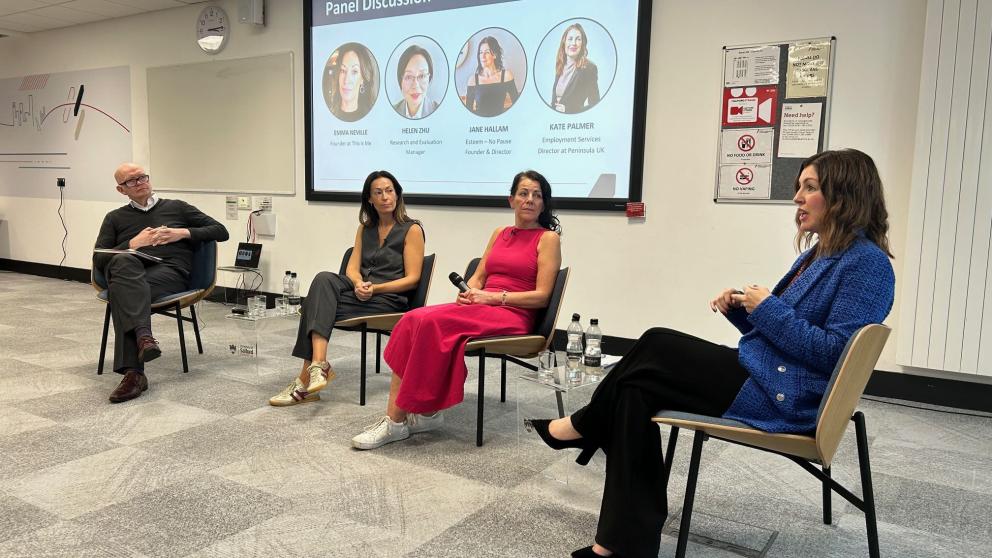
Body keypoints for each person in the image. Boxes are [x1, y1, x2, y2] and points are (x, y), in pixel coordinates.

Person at [527, 149, 896, 558]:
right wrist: (743, 311)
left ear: (845, 195)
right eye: (799, 188)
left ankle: (585, 426)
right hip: (764, 375)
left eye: (810, 188)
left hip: (787, 398)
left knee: (656, 342)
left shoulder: (868, 264)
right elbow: (782, 335)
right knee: (635, 389)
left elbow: (834, 354)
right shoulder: (821, 254)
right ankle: (617, 546)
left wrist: (767, 308)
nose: (797, 198)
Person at [352, 170, 562, 449]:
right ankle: (427, 412)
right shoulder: (500, 233)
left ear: (544, 203)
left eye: (537, 195)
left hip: (513, 314)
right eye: (523, 193)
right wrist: (469, 291)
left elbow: (542, 297)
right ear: (511, 200)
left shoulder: (548, 239)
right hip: (482, 306)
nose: (530, 200)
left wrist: (492, 298)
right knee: (413, 318)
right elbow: (480, 274)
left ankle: (395, 423)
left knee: (431, 324)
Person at [269, 170, 425, 406]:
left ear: (397, 194)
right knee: (323, 278)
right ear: (369, 199)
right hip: (360, 292)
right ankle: (318, 365)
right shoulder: (365, 228)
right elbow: (352, 268)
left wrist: (375, 288)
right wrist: (358, 282)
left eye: (389, 191)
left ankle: (307, 378)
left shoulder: (412, 229)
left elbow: (412, 279)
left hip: (389, 298)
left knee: (313, 305)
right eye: (378, 192)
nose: (385, 197)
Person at [93, 163, 229, 403]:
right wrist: (133, 244)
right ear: (121, 190)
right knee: (123, 263)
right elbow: (100, 258)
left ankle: (134, 374)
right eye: (131, 181)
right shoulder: (114, 218)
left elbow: (220, 231)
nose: (140, 183)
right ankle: (144, 337)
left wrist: (182, 233)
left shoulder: (177, 207)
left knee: (121, 292)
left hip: (170, 273)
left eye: (142, 177)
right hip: (131, 273)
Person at [551, 22, 600, 114]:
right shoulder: (560, 64)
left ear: (582, 43)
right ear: (564, 42)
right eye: (570, 39)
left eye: (578, 39)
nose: (573, 43)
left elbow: (595, 104)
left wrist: (568, 110)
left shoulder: (589, 68)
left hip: (574, 121)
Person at [465, 36, 520, 117]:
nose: (482, 56)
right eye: (480, 52)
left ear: (494, 55)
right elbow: (468, 112)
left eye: (487, 52)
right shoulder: (472, 80)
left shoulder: (506, 76)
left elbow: (517, 106)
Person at [329, 43, 376, 122]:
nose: (346, 80)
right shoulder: (328, 115)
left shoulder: (372, 118)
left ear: (362, 79)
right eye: (343, 70)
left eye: (354, 71)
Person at [393, 45, 440, 119]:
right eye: (409, 77)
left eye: (422, 76)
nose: (415, 85)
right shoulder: (392, 111)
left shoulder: (440, 111)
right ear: (400, 80)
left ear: (429, 78)